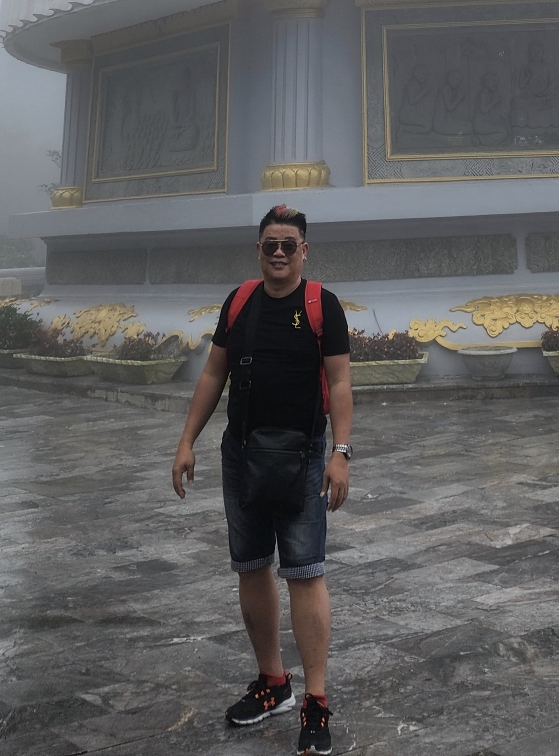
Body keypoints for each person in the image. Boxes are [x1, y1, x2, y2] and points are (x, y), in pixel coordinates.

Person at [171, 203, 352, 753]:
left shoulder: (323, 306)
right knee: (251, 567)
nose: (279, 252)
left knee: (305, 571)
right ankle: (274, 682)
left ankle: (315, 701)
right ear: (258, 250)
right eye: (270, 244)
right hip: (242, 454)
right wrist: (186, 441)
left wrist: (340, 452)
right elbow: (213, 372)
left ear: (304, 250)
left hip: (302, 457)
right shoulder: (241, 302)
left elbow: (339, 383)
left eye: (288, 244)